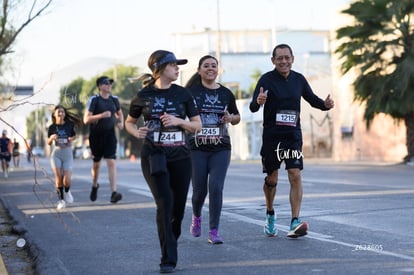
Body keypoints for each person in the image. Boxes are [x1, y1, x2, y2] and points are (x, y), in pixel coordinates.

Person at [125, 50, 201, 273]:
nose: (178, 68)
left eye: (178, 65)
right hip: (154, 156)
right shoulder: (143, 96)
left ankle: (171, 237)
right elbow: (129, 122)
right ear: (159, 69)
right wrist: (135, 131)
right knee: (164, 204)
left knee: (178, 209)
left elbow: (198, 125)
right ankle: (168, 258)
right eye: (173, 65)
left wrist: (179, 121)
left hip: (181, 157)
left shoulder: (183, 94)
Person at [249, 44, 334, 238]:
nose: (284, 61)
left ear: (292, 59)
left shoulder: (299, 79)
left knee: (295, 174)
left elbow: (313, 100)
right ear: (273, 61)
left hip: (292, 136)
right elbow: (253, 107)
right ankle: (270, 213)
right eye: (279, 58)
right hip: (272, 136)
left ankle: (295, 221)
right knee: (272, 178)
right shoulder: (266, 80)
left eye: (287, 57)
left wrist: (326, 105)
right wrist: (259, 101)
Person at [185, 55, 241, 244]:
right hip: (196, 148)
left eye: (214, 66)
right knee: (199, 190)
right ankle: (196, 215)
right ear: (199, 70)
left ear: (218, 69)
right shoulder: (190, 92)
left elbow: (237, 116)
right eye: (206, 66)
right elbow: (180, 116)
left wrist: (230, 118)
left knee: (216, 187)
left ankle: (214, 231)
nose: (211, 68)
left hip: (221, 147)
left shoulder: (226, 93)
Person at [84, 76, 124, 204]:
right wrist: (101, 115)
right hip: (96, 136)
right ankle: (95, 185)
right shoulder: (94, 100)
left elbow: (120, 113)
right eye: (106, 83)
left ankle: (113, 193)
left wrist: (121, 122)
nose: (109, 85)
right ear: (100, 86)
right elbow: (86, 119)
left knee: (111, 162)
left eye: (110, 83)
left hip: (110, 135)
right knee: (96, 165)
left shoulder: (114, 100)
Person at [47, 105, 82, 210]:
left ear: (65, 114)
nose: (61, 113)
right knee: (58, 177)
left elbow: (74, 136)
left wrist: (72, 138)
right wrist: (52, 137)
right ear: (54, 114)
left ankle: (67, 191)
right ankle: (61, 201)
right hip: (56, 154)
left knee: (66, 180)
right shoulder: (52, 127)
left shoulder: (69, 125)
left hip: (67, 154)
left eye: (62, 112)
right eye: (59, 112)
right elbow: (48, 142)